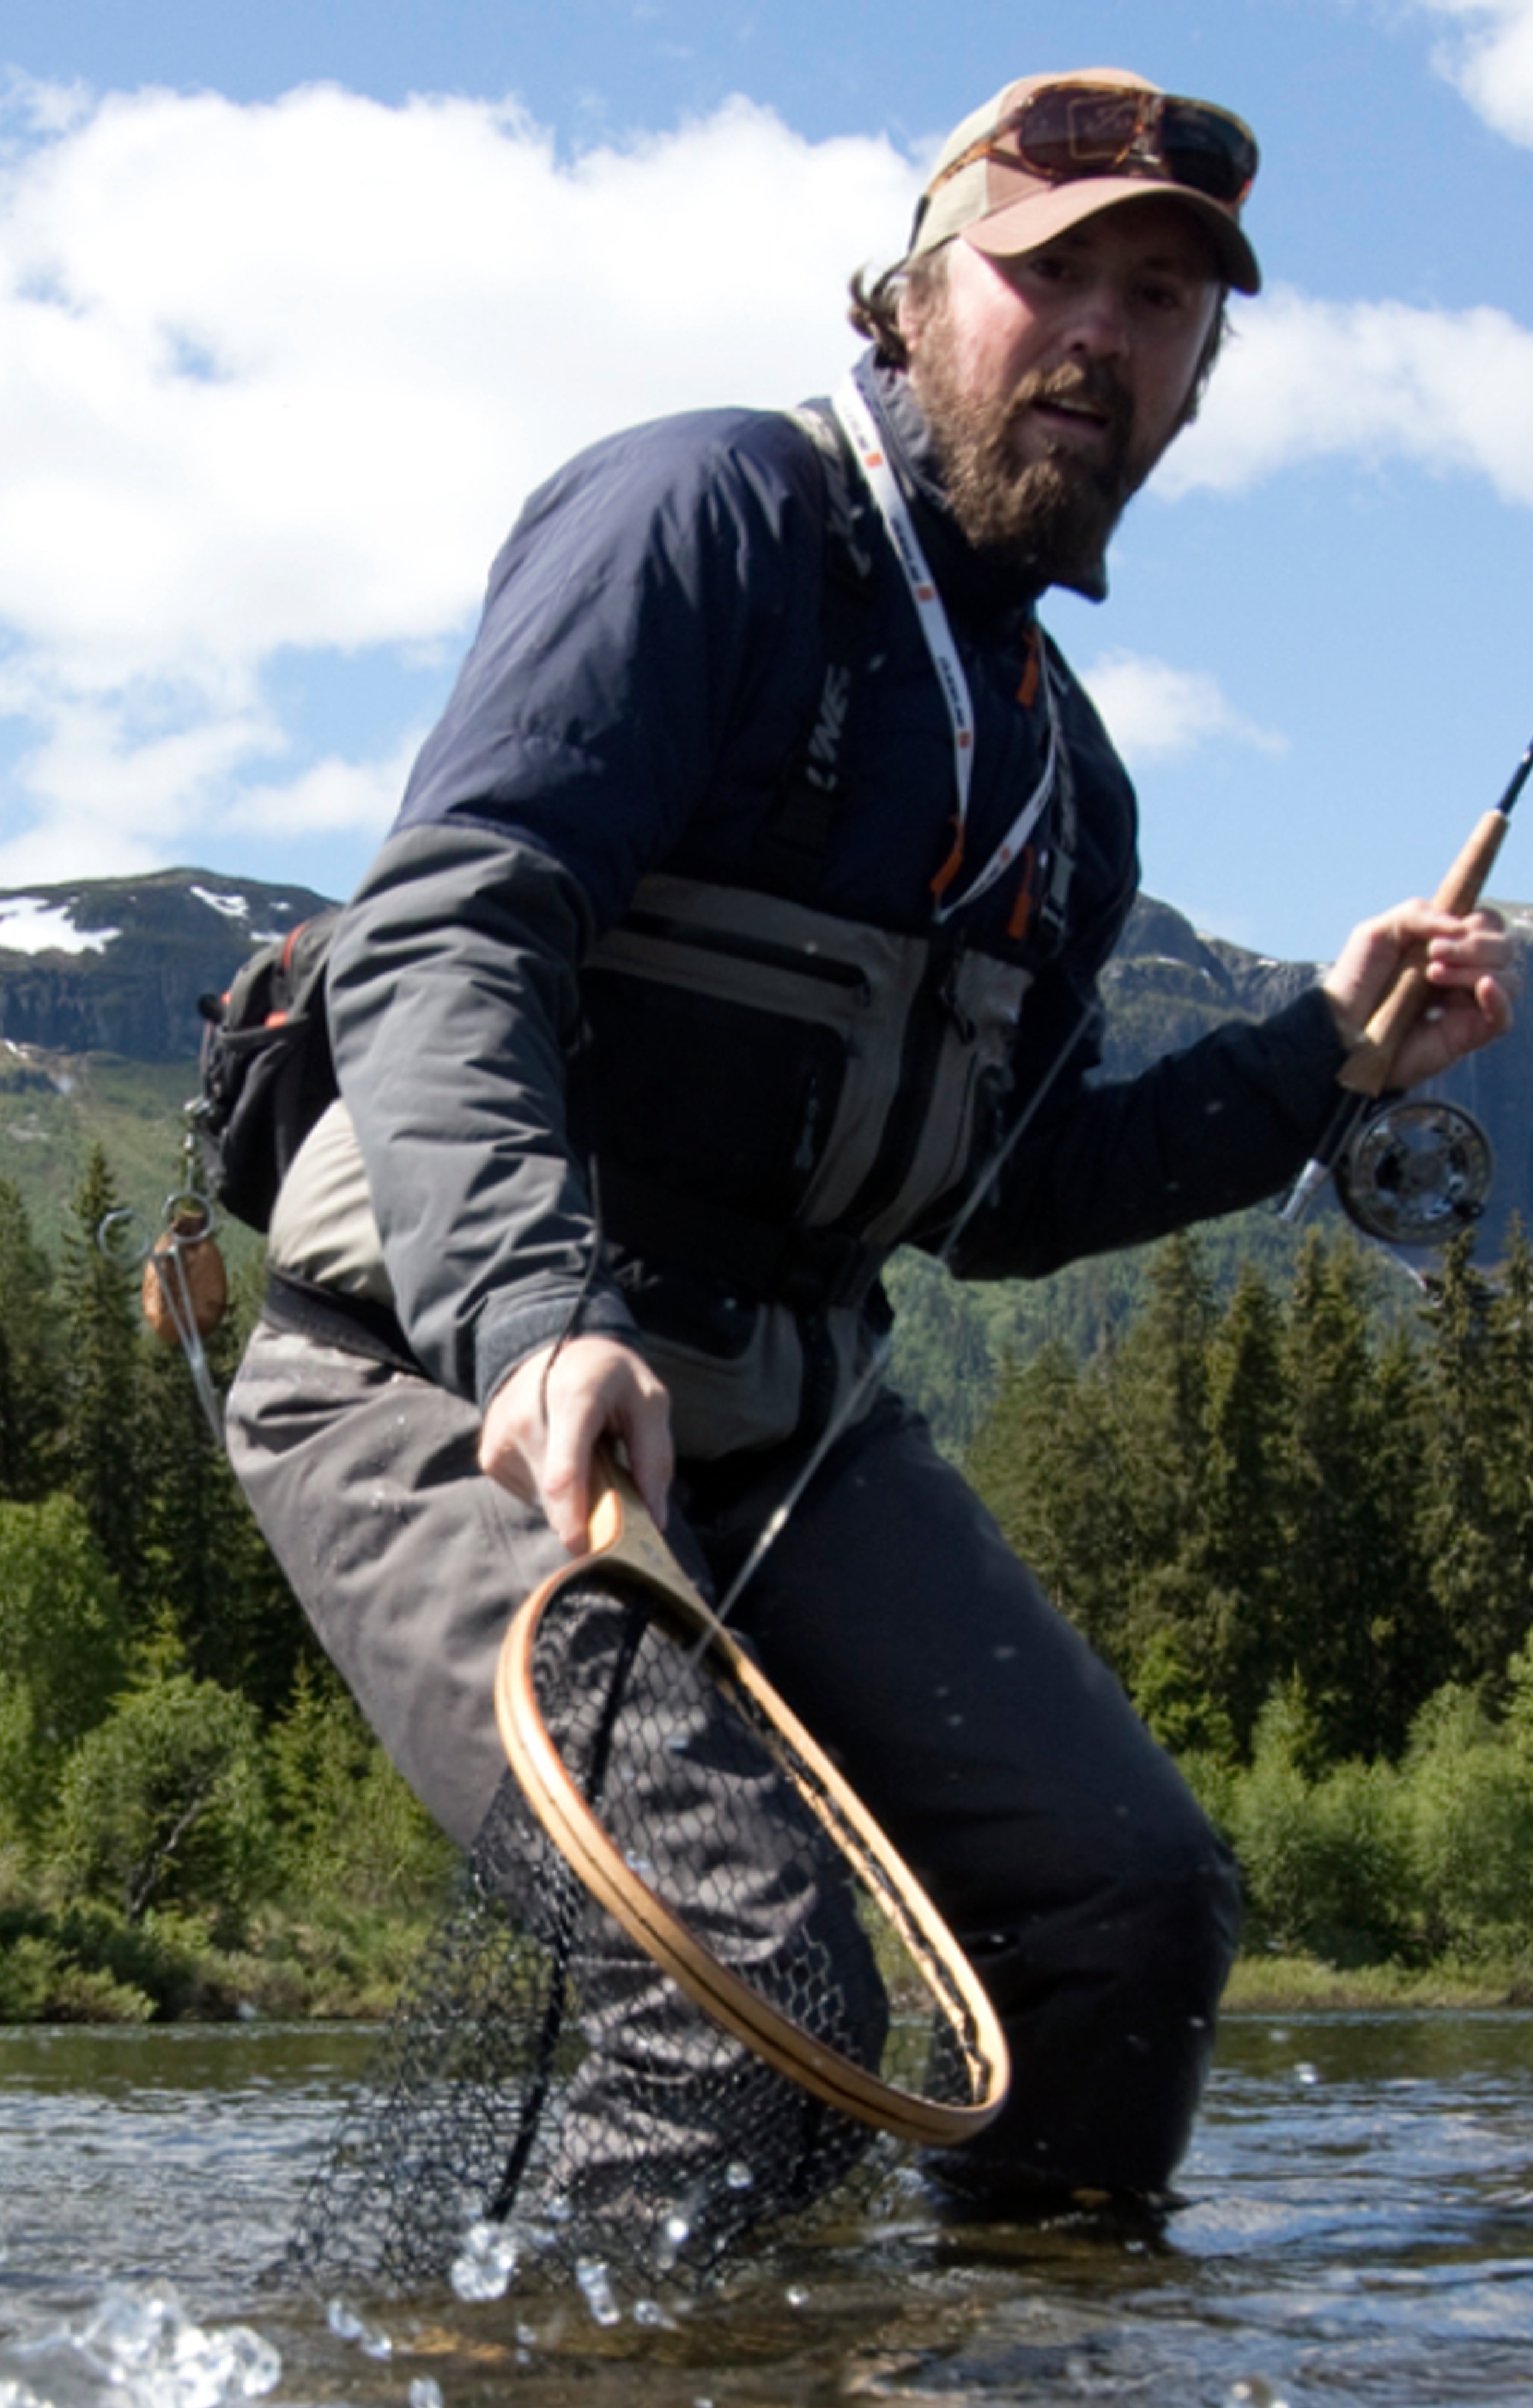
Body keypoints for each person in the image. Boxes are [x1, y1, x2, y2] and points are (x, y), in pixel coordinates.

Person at [227, 68, 1517, 2226]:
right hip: (435, 1376)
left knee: (1129, 1907)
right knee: (749, 1978)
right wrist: (539, 1324)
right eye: (1055, 276)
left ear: (1204, 375)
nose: (1108, 335)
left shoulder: (1074, 796)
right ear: (918, 294)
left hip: (788, 1430)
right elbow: (456, 925)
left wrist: (1316, 1061)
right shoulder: (707, 516)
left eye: (1169, 300)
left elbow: (1005, 1206)